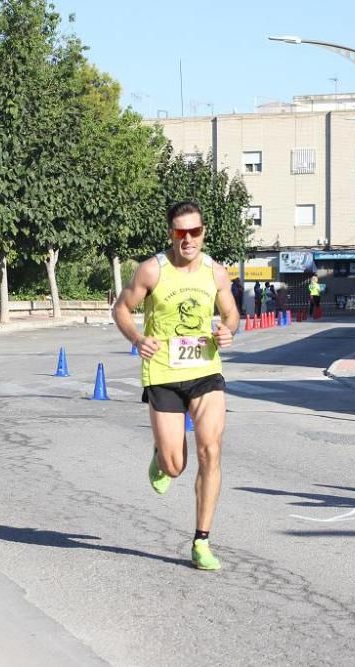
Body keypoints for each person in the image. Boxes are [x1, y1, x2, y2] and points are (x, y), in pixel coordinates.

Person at [112, 200, 239, 570]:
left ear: (203, 232)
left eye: (195, 232)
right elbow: (121, 308)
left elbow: (231, 313)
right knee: (175, 465)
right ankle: (161, 459)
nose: (188, 239)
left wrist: (228, 330)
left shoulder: (216, 273)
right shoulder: (152, 270)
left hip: (205, 371)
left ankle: (201, 541)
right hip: (164, 373)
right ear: (171, 233)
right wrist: (137, 338)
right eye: (180, 232)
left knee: (211, 450)